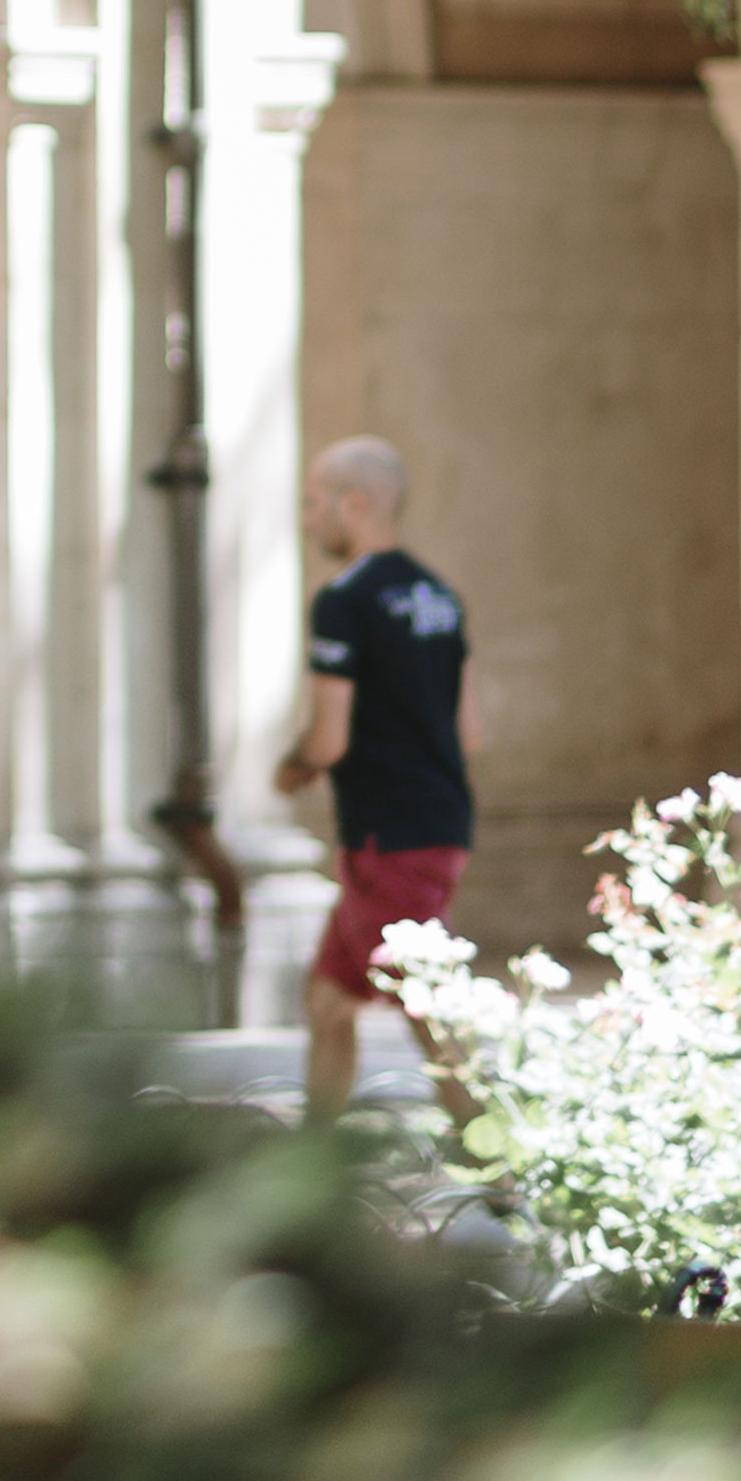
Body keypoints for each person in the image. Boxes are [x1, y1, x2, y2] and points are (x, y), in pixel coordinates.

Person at [270, 435, 471, 1125]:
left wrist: (291, 768)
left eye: (313, 503)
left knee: (426, 1009)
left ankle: (506, 1171)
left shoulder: (343, 601)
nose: (306, 519)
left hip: (392, 836)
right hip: (430, 821)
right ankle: (309, 1170)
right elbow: (469, 729)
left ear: (354, 505)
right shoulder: (441, 597)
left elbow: (329, 739)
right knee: (328, 1001)